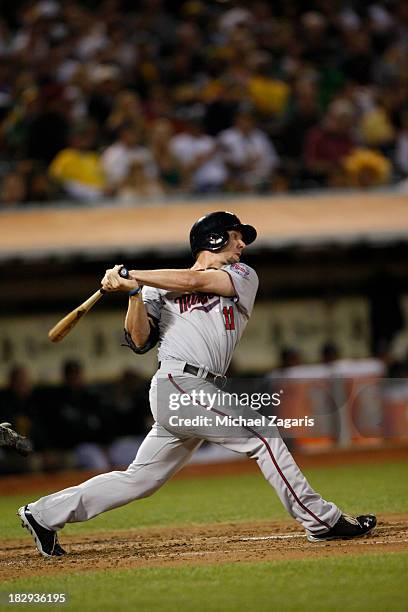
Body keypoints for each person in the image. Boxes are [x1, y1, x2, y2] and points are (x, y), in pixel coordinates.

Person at [18, 211, 376, 557]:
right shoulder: (155, 290)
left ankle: (43, 514)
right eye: (236, 236)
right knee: (263, 434)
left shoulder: (241, 274)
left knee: (140, 480)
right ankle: (320, 519)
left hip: (200, 388)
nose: (242, 245)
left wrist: (134, 275)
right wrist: (132, 294)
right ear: (215, 238)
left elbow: (196, 281)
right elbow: (140, 341)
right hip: (177, 382)